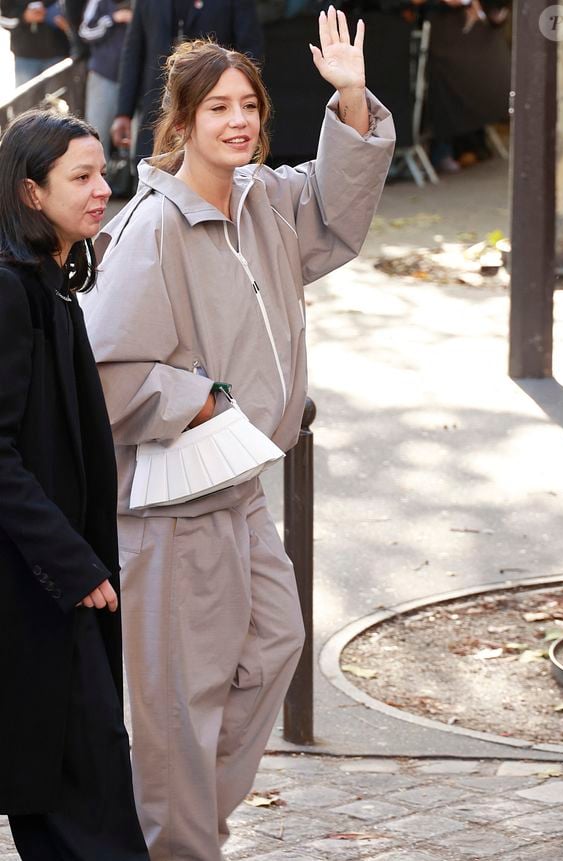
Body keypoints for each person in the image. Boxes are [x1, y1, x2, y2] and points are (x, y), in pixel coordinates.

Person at [82, 8, 395, 860]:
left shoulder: (265, 201)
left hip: (241, 489)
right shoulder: (149, 230)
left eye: (249, 105)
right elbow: (105, 373)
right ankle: (179, 842)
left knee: (276, 643)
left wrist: (354, 97)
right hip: (173, 506)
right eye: (218, 107)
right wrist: (209, 398)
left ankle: (180, 834)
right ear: (182, 123)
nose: (239, 120)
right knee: (179, 703)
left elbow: (341, 206)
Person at [0, 109, 150, 861]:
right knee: (84, 788)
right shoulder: (11, 292)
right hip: (37, 587)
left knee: (72, 787)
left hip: (54, 583)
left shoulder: (53, 284)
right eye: (81, 178)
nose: (103, 191)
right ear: (31, 192)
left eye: (103, 173)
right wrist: (74, 564)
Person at [110, 0, 264, 163]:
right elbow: (133, 52)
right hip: (155, 113)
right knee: (153, 174)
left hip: (216, 118)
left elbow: (250, 51)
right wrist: (123, 113)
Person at [79, 0, 133, 161]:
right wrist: (112, 18)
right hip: (104, 76)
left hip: (135, 80)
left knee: (133, 138)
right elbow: (85, 31)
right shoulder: (99, 2)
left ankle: (127, 181)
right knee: (97, 133)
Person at [0, 0, 70, 86]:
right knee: (27, 97)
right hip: (26, 57)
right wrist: (24, 17)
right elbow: (3, 20)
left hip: (59, 54)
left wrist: (69, 25)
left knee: (58, 97)